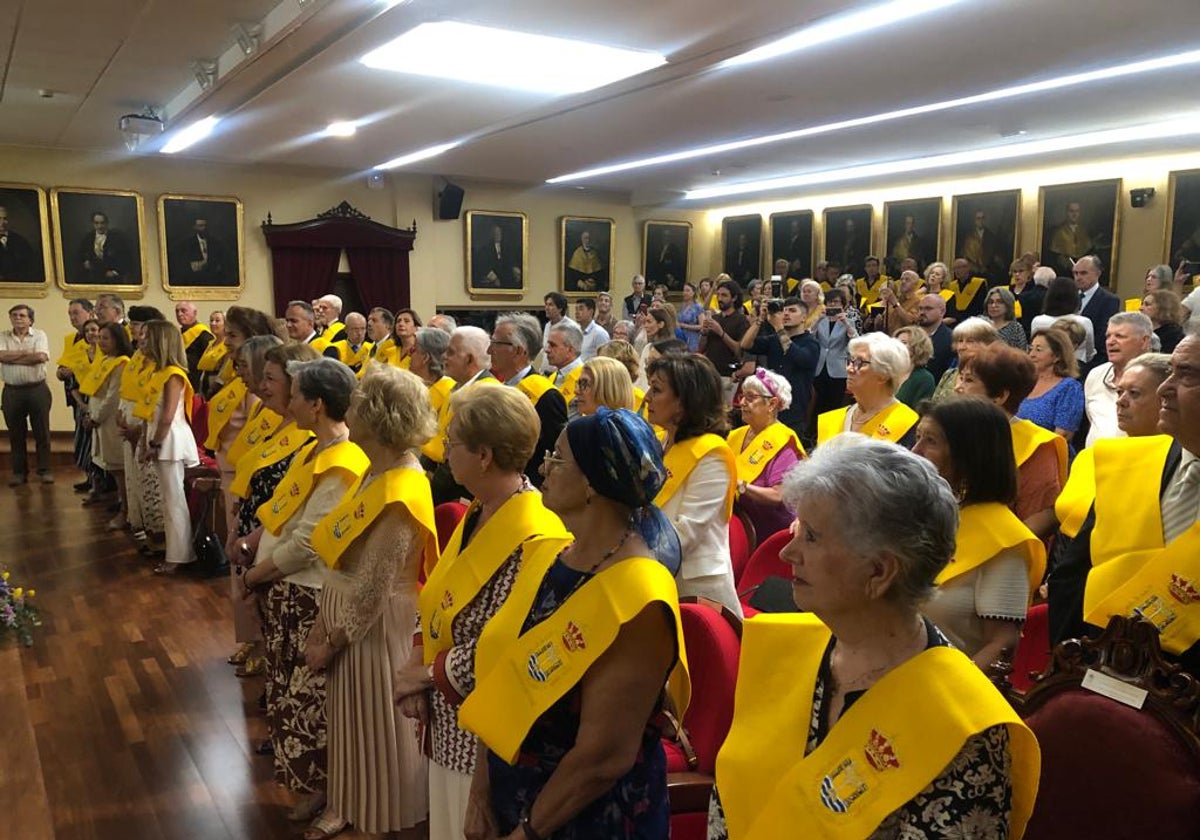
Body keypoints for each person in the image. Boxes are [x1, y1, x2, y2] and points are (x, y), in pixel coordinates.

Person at [709, 436, 1039, 839]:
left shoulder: (963, 727)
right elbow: (729, 800)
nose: (787, 553)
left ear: (879, 572)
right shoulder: (780, 649)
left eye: (811, 536)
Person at [459, 408, 689, 840]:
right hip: (515, 795)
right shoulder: (555, 556)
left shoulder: (639, 594)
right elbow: (504, 676)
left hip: (582, 818)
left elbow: (602, 759)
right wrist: (480, 791)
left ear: (591, 484)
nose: (543, 466)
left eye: (557, 458)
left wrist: (526, 833)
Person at [395, 386, 568, 840]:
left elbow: (503, 644)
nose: (444, 449)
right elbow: (435, 594)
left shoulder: (536, 534)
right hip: (444, 719)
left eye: (452, 440)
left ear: (485, 455)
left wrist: (426, 676)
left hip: (479, 741)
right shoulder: (479, 509)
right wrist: (417, 662)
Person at [305, 365, 438, 839]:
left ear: (379, 416)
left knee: (376, 731)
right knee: (349, 727)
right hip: (347, 618)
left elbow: (374, 588)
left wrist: (333, 639)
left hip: (376, 627)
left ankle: (378, 816)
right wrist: (323, 623)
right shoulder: (375, 468)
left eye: (360, 399)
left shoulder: (403, 486)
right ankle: (348, 801)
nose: (351, 406)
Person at [241, 357, 367, 823]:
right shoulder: (313, 449)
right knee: (284, 688)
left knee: (309, 700)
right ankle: (309, 783)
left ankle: (329, 790)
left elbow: (309, 543)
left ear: (316, 405)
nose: (287, 399)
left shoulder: (343, 461)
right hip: (282, 585)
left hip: (305, 591)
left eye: (295, 393)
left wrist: (257, 575)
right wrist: (254, 545)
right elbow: (282, 510)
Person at [1047, 332, 1200, 676]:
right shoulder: (1129, 462)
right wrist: (1068, 671)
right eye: (1171, 372)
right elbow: (1072, 578)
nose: (1165, 389)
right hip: (1100, 673)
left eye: (1188, 374)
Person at [913, 398, 1044, 668]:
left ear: (969, 455)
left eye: (931, 441)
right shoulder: (918, 514)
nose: (915, 451)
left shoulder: (1004, 542)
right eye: (917, 438)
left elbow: (1003, 644)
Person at [644, 353, 741, 614]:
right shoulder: (659, 442)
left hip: (695, 589)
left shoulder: (712, 455)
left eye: (656, 390)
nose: (646, 397)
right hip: (654, 575)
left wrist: (626, 555)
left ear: (683, 403)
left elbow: (686, 533)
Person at [216, 331, 281, 673]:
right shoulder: (261, 406)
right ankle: (250, 640)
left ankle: (261, 646)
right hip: (246, 495)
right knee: (242, 576)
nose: (239, 372)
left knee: (258, 581)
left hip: (265, 507)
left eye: (243, 366)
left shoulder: (268, 407)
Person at [956, 343, 1066, 540]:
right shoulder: (953, 431)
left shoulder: (1036, 446)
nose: (957, 387)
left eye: (969, 381)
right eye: (960, 378)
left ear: (1000, 396)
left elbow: (1038, 520)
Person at [135, 320, 201, 573]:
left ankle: (180, 556)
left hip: (169, 438)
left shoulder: (173, 374)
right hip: (159, 436)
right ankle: (177, 552)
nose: (141, 340)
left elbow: (168, 415)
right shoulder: (156, 371)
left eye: (146, 336)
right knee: (168, 499)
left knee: (174, 500)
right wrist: (145, 440)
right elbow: (149, 412)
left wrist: (154, 443)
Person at [490, 313, 567, 487]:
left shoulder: (546, 396)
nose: (489, 350)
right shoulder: (501, 387)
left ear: (519, 350)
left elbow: (551, 457)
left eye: (495, 344)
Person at [730, 369, 805, 539]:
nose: (742, 402)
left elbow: (778, 495)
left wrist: (740, 486)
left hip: (772, 532)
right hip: (738, 524)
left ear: (771, 404)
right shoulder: (735, 435)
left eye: (750, 398)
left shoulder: (783, 441)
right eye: (742, 396)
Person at [817, 332, 918, 447]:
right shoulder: (834, 419)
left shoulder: (906, 422)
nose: (849, 369)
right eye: (851, 360)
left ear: (883, 374)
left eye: (860, 363)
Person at [738, 296, 819, 436]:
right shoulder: (774, 340)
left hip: (794, 412)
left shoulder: (811, 343)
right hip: (769, 409)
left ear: (804, 318)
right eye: (784, 311)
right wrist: (760, 319)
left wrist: (779, 328)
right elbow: (745, 344)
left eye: (792, 311)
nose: (786, 314)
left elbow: (798, 357)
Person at [82, 323, 133, 529]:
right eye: (99, 337)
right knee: (111, 467)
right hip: (99, 420)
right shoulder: (106, 361)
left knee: (119, 468)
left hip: (110, 421)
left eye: (106, 338)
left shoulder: (121, 363)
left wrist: (96, 417)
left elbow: (113, 397)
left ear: (118, 340)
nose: (100, 342)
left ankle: (126, 511)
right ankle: (124, 507)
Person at [1083, 312, 1153, 447]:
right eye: (1108, 336)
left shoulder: (1159, 378)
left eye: (1119, 336)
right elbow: (1092, 419)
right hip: (1094, 462)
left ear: (1144, 341)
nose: (1110, 342)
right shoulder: (1095, 375)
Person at [1, 304, 53, 486]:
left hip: (37, 389)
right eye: (14, 315)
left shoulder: (39, 335)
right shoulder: (3, 336)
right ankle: (19, 472)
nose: (17, 318)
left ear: (30, 319)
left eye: (22, 315)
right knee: (15, 434)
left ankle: (45, 470)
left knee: (42, 432)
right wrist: (26, 353)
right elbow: (0, 356)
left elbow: (40, 357)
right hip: (12, 391)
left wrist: (11, 356)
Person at [1016, 328, 1084, 445]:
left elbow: (1062, 435)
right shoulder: (1023, 381)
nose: (1031, 354)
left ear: (1057, 356)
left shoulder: (1069, 388)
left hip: (1047, 455)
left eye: (1039, 350)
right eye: (1030, 349)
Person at [809, 288, 856, 429]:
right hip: (820, 366)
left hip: (838, 368)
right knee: (818, 402)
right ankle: (813, 432)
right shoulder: (821, 320)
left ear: (843, 305)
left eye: (836, 302)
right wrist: (817, 321)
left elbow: (855, 342)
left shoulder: (849, 321)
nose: (832, 305)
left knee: (834, 403)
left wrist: (846, 324)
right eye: (830, 302)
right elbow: (809, 338)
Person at [410, 326, 457, 467]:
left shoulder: (447, 391)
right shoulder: (420, 386)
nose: (408, 354)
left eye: (413, 350)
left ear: (425, 358)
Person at [699, 278, 750, 400]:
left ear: (734, 298)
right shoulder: (715, 317)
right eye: (719, 295)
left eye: (724, 295)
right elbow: (701, 348)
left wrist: (721, 333)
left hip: (728, 375)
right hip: (710, 373)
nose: (720, 299)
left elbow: (739, 350)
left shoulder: (741, 320)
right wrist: (704, 333)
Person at [931, 317, 999, 403]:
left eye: (970, 341)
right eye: (960, 341)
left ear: (988, 345)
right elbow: (932, 407)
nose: (961, 347)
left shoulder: (993, 377)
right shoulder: (949, 374)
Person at [1031, 275, 1096, 364]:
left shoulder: (1037, 321)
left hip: (1047, 365)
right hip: (1078, 367)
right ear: (1074, 298)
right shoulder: (1084, 322)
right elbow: (1090, 353)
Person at [1074, 255, 1121, 369]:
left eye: (1083, 273)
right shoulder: (1069, 296)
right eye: (1075, 273)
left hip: (1092, 362)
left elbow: (1103, 335)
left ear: (1097, 274)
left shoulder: (1109, 300)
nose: (1078, 277)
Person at [76, 210, 135, 284]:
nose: (99, 226)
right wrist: (85, 262)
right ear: (93, 224)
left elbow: (126, 258)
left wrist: (115, 272)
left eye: (102, 223)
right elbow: (81, 255)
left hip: (112, 278)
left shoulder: (117, 238)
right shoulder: (88, 237)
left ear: (107, 223)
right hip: (92, 276)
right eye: (96, 223)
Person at [170, 217, 232, 285]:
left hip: (214, 281)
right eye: (200, 226)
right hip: (194, 281)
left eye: (205, 225)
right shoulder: (187, 244)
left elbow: (223, 263)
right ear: (195, 227)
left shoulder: (216, 243)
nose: (204, 228)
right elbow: (183, 266)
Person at [893, 325, 937, 408]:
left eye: (903, 343)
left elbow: (920, 413)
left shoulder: (925, 379)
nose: (897, 346)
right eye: (896, 342)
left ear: (917, 347)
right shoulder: (886, 372)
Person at [546, 322, 585, 415]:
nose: (547, 350)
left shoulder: (586, 379)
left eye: (553, 345)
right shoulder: (552, 377)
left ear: (570, 350)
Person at [174, 301, 213, 391]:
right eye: (177, 311)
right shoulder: (176, 333)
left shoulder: (204, 334)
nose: (179, 314)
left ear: (194, 313)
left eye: (183, 311)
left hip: (195, 381)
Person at [1047, 201, 1094, 276]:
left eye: (1077, 211)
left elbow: (1088, 249)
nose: (1074, 214)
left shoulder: (1084, 231)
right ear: (1066, 213)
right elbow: (1055, 253)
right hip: (1064, 271)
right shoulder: (1059, 232)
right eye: (1071, 211)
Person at [915, 293, 954, 380]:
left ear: (942, 311)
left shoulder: (951, 339)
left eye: (928, 308)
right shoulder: (908, 335)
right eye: (920, 308)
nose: (922, 312)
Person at [0, 204, 40, 281]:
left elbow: (30, 267)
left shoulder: (20, 241)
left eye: (4, 218)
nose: (3, 222)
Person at [944, 258, 989, 325]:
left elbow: (981, 305)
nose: (957, 271)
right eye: (955, 268)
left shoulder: (978, 283)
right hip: (955, 321)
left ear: (967, 268)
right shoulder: (952, 285)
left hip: (973, 320)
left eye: (960, 268)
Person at [1141, 288, 1186, 354]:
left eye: (1147, 304)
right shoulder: (1142, 331)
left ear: (1163, 307)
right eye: (1142, 304)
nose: (1141, 308)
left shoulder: (1174, 335)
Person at [1009, 258, 1046, 337]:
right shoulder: (1007, 290)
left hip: (1027, 330)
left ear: (1028, 273)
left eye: (1021, 271)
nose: (1017, 274)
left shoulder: (1033, 290)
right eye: (1015, 271)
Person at [196, 309, 229, 397]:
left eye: (217, 321)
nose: (213, 323)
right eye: (211, 320)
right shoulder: (211, 343)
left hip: (217, 386)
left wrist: (213, 388)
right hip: (204, 383)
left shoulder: (228, 344)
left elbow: (225, 370)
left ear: (225, 324)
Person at [475, 224, 519, 288]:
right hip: (493, 279)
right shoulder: (485, 249)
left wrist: (515, 269)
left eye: (499, 233)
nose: (498, 235)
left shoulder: (506, 248)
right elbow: (483, 266)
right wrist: (494, 278)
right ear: (492, 235)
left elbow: (510, 261)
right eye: (496, 233)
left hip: (506, 277)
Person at [986, 286, 1028, 350]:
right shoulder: (981, 325)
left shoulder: (1016, 329)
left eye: (999, 302)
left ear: (1008, 304)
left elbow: (1022, 353)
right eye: (991, 302)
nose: (993, 305)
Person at [676, 281, 705, 352]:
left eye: (687, 290)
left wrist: (685, 326)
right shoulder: (682, 306)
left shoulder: (698, 307)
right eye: (684, 290)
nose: (685, 293)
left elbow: (702, 326)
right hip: (681, 338)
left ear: (693, 292)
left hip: (692, 339)